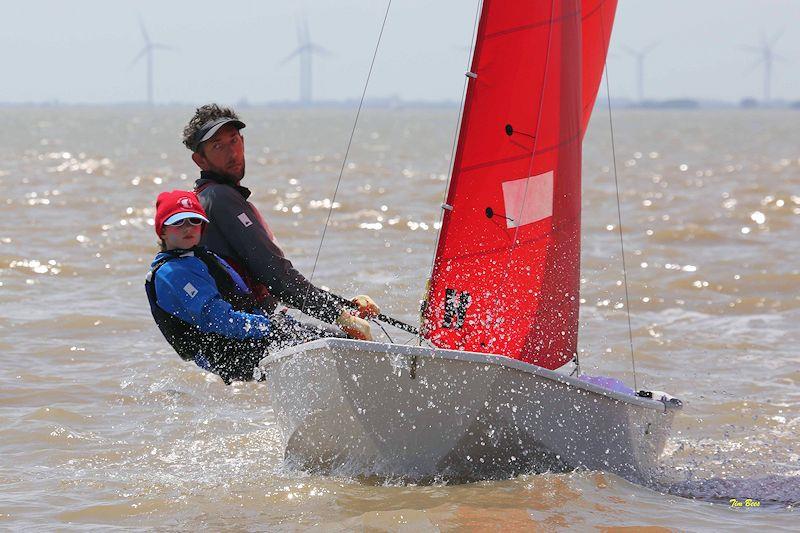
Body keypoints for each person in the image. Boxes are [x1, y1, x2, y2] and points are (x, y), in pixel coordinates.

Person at [181, 103, 379, 346]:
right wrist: (340, 316)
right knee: (350, 345)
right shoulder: (218, 199)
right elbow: (276, 275)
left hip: (252, 329)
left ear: (242, 140)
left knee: (339, 339)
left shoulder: (214, 196)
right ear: (200, 160)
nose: (232, 153)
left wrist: (344, 306)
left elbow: (272, 279)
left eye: (234, 140)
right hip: (249, 333)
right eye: (218, 146)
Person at [145, 190, 273, 384]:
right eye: (178, 222)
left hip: (247, 340)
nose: (188, 228)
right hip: (229, 356)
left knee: (324, 336)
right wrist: (269, 327)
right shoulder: (173, 273)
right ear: (163, 231)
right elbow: (217, 320)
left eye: (194, 221)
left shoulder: (202, 258)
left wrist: (271, 321)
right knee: (314, 342)